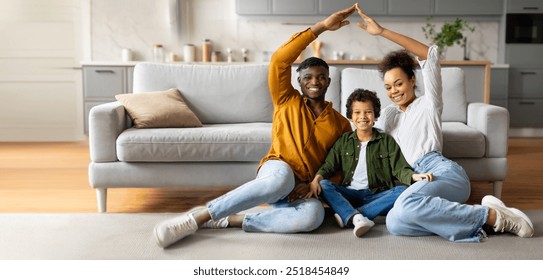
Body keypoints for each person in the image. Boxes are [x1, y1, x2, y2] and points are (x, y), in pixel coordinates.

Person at [153, 5, 356, 248]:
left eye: (321, 77)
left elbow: (340, 165)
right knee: (279, 181)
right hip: (278, 172)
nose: (315, 82)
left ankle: (232, 220)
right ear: (299, 82)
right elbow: (280, 59)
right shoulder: (285, 99)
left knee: (313, 217)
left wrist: (315, 186)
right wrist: (322, 27)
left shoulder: (341, 124)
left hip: (303, 187)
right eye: (308, 78)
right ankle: (198, 217)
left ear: (328, 80)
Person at [353, 4, 534, 242]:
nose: (394, 91)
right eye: (388, 87)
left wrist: (382, 31)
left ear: (411, 80)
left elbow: (429, 54)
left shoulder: (429, 103)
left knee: (406, 204)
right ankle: (480, 220)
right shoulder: (388, 115)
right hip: (415, 180)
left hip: (442, 173)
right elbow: (365, 136)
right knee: (395, 223)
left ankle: (496, 218)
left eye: (399, 83)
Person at [307, 89, 433, 237]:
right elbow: (329, 165)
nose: (363, 117)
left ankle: (352, 215)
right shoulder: (344, 141)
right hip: (350, 194)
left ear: (375, 115)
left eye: (368, 112)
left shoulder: (386, 141)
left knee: (402, 191)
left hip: (378, 195)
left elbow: (400, 169)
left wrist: (413, 177)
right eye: (357, 112)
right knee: (324, 185)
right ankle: (358, 215)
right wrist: (317, 178)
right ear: (350, 116)